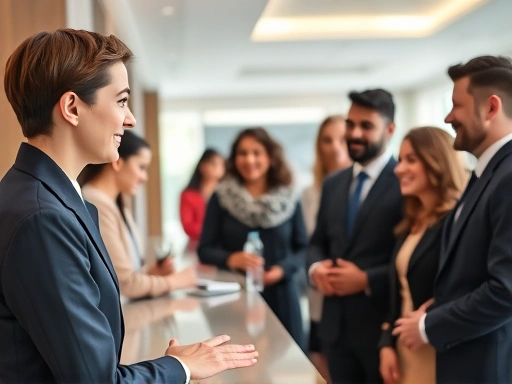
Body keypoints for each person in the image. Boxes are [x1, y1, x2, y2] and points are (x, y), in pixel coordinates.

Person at [0, 29, 257, 382]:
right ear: (72, 108)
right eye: (121, 101)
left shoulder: (44, 197)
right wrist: (180, 367)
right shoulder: (43, 217)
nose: (131, 119)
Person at [392, 56, 512, 384]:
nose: (448, 117)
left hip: (486, 367)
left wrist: (430, 325)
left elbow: (506, 291)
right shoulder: (484, 174)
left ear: (490, 108)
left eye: (456, 106)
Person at [307, 89, 402, 383]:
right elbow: (317, 243)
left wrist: (366, 280)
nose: (355, 133)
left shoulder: (404, 180)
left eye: (366, 126)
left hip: (382, 332)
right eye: (350, 124)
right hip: (335, 330)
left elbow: (414, 257)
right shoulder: (334, 183)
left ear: (389, 130)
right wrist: (316, 268)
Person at [197, 127, 308, 349]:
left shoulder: (289, 198)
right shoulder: (221, 198)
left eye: (257, 152)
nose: (249, 159)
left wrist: (281, 271)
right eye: (242, 153)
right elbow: (204, 249)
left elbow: (304, 249)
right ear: (234, 158)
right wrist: (232, 259)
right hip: (235, 297)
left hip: (282, 297)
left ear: (270, 157)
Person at [378, 127, 466, 384]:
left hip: (438, 349)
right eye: (401, 159)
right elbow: (397, 293)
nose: (398, 168)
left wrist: (430, 319)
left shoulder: (455, 222)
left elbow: (462, 290)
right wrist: (386, 343)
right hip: (405, 349)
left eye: (411, 160)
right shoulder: (411, 223)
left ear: (436, 161)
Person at [80, 130, 197, 299]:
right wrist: (176, 281)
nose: (145, 177)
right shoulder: (96, 203)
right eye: (141, 167)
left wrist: (151, 274)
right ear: (117, 162)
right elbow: (125, 283)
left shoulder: (116, 204)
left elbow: (126, 275)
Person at [301, 115, 352, 380]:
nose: (334, 147)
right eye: (327, 140)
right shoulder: (310, 193)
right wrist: (316, 267)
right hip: (319, 294)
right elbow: (309, 243)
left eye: (342, 139)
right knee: (321, 364)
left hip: (354, 295)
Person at [180, 148, 225, 249]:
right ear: (202, 166)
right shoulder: (188, 194)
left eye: (221, 164)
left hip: (222, 247)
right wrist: (214, 231)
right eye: (214, 164)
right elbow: (188, 226)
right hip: (197, 245)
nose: (218, 168)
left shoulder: (227, 193)